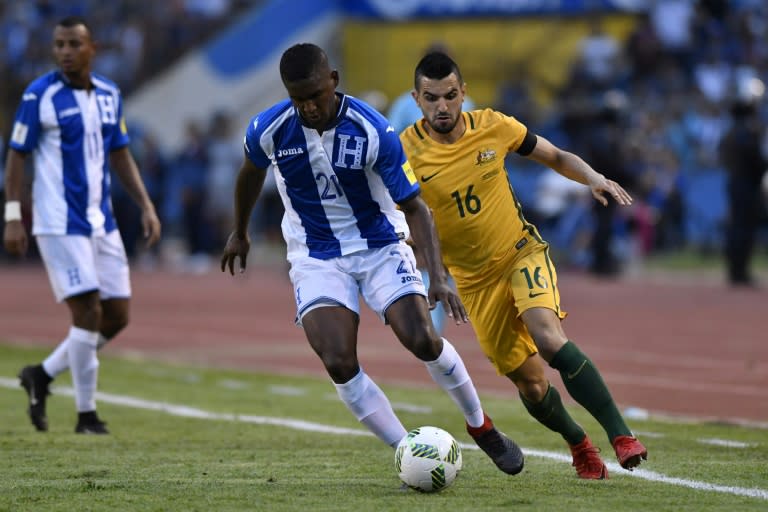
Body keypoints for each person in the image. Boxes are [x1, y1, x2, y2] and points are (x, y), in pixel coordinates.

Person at [220, 43, 523, 475]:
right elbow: (250, 171)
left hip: (380, 245)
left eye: (314, 95)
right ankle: (410, 452)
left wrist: (437, 277)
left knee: (422, 338)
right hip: (315, 254)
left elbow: (416, 207)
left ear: (333, 81)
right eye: (297, 98)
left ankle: (482, 426)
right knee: (338, 360)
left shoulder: (372, 130)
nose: (307, 106)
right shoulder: (268, 128)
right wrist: (241, 230)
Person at [399, 51, 648, 479]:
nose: (443, 106)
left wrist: (592, 178)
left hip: (520, 252)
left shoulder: (494, 125)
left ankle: (622, 435)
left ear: (464, 94)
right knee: (530, 384)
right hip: (474, 285)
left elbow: (554, 155)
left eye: (451, 96)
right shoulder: (403, 150)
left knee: (548, 337)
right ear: (416, 98)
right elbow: (400, 215)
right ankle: (578, 442)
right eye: (432, 98)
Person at [3, 16, 161, 434]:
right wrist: (13, 215)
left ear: (93, 48)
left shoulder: (110, 94)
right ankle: (86, 415)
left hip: (101, 220)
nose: (65, 52)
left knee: (117, 315)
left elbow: (120, 152)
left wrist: (145, 204)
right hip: (58, 221)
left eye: (73, 44)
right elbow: (17, 154)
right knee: (88, 310)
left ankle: (41, 374)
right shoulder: (39, 95)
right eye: (58, 45)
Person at [388, 42, 473, 335]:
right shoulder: (404, 105)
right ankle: (431, 329)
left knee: (443, 264)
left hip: (455, 199)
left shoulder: (467, 105)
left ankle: (436, 325)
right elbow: (392, 152)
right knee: (425, 262)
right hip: (420, 197)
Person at [718, 93, 767, 287]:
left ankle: (735, 269)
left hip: (734, 182)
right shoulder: (745, 133)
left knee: (737, 226)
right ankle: (739, 271)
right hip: (746, 184)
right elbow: (755, 160)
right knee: (744, 227)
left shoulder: (729, 133)